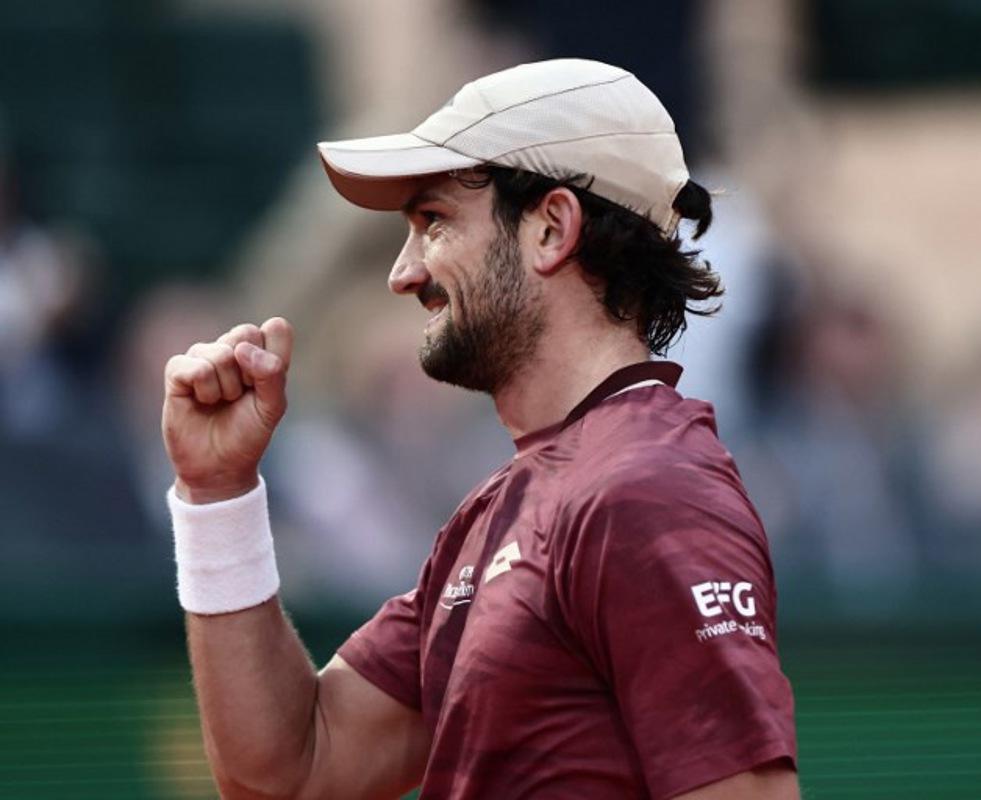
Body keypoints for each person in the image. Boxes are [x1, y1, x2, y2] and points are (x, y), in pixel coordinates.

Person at [162, 59, 798, 799]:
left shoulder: (646, 491)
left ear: (552, 228)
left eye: (434, 223)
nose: (404, 273)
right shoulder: (506, 508)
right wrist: (218, 493)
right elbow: (289, 773)